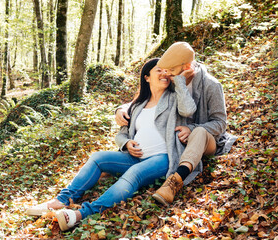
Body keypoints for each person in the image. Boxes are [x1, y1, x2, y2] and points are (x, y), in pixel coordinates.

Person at [27, 58, 196, 231]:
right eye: (158, 70)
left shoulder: (174, 98)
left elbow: (188, 110)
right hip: (133, 157)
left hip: (162, 158)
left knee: (134, 173)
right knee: (98, 157)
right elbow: (122, 133)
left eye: (166, 71)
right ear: (147, 77)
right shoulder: (137, 105)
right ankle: (60, 201)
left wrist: (180, 82)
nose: (164, 74)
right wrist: (127, 143)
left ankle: (82, 214)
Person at [115, 42, 237, 206]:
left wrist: (191, 128)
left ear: (186, 66)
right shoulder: (174, 79)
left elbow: (220, 123)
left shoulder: (211, 85)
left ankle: (175, 181)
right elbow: (148, 97)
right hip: (178, 143)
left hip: (206, 141)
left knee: (199, 132)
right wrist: (121, 108)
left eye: (171, 71)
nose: (167, 75)